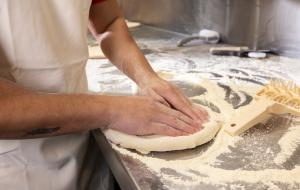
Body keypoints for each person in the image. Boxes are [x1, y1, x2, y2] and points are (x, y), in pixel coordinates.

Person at [0, 0, 209, 189]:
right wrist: (113, 110)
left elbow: (109, 22)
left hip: (82, 146)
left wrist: (147, 78)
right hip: (16, 166)